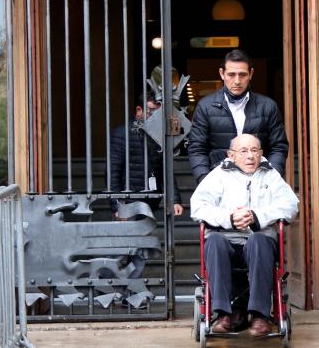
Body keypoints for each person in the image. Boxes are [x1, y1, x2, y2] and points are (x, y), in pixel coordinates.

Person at [190, 134, 299, 337]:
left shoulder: (270, 175)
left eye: (254, 150)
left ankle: (259, 316)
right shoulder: (218, 175)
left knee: (258, 240)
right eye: (244, 151)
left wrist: (256, 216)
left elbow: (291, 205)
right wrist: (229, 218)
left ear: (261, 153)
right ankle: (223, 314)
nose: (250, 156)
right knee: (214, 241)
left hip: (259, 240)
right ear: (231, 155)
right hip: (226, 239)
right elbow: (198, 207)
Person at [108, 91, 183, 283]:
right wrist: (116, 205)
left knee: (140, 250)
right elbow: (113, 172)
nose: (154, 116)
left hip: (149, 202)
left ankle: (131, 290)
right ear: (139, 111)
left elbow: (166, 170)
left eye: (158, 112)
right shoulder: (122, 134)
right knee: (122, 249)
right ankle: (110, 286)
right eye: (151, 111)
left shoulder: (158, 135)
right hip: (128, 202)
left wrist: (174, 199)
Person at [188, 49, 289, 184]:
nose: (237, 81)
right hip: (219, 181)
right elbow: (197, 147)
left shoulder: (268, 106)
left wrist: (271, 179)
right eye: (231, 74)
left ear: (251, 74)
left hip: (260, 181)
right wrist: (205, 181)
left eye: (242, 75)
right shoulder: (205, 106)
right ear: (222, 74)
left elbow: (278, 146)